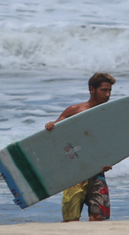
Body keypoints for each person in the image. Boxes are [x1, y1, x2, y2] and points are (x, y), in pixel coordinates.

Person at [44, 72, 115, 222]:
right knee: (71, 219)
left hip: (97, 170)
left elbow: (111, 143)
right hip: (74, 171)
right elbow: (54, 132)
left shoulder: (109, 115)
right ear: (91, 89)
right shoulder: (75, 110)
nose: (107, 94)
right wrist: (50, 125)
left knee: (98, 217)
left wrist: (110, 161)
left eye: (109, 91)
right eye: (104, 90)